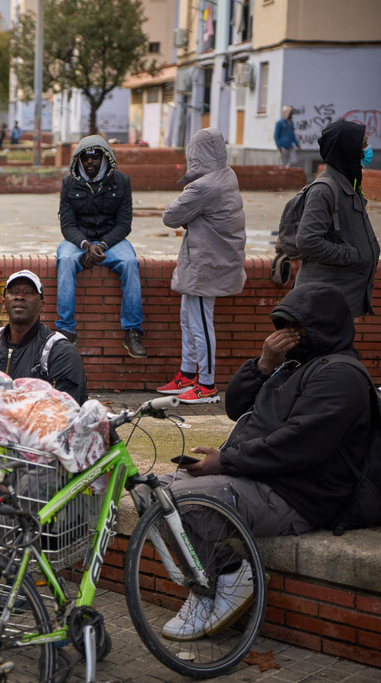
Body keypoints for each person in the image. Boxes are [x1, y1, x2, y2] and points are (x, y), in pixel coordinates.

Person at [158, 282, 367, 641]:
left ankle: (231, 575)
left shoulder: (340, 373)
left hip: (297, 493)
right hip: (258, 478)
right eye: (285, 326)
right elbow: (236, 406)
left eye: (297, 327)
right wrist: (263, 364)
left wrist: (226, 462)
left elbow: (299, 444)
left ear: (322, 326)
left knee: (181, 501)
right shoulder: (290, 365)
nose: (288, 335)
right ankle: (207, 585)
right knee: (155, 492)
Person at [157, 128, 247, 405]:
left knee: (200, 323)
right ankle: (187, 374)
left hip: (207, 264)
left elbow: (170, 216)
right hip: (210, 260)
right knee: (188, 318)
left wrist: (189, 216)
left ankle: (206, 384)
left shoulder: (203, 186)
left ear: (195, 153)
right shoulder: (226, 174)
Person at [56, 135, 146, 357]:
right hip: (79, 241)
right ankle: (66, 330)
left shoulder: (122, 181)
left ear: (105, 158)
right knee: (65, 260)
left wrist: (102, 245)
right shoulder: (69, 182)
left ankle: (132, 331)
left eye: (95, 158)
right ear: (79, 160)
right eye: (85, 159)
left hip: (111, 241)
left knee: (129, 263)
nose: (90, 163)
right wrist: (86, 245)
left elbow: (124, 224)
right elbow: (67, 225)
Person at [294, 120, 378, 319]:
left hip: (342, 296)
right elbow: (307, 241)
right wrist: (352, 255)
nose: (367, 150)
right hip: (324, 301)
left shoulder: (349, 183)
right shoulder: (324, 189)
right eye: (363, 145)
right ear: (348, 149)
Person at [0, 270, 87, 405]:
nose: (19, 297)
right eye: (13, 292)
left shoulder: (60, 352)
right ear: (3, 303)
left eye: (28, 292)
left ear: (41, 305)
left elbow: (65, 413)